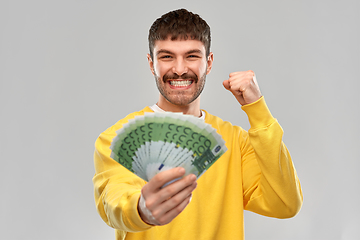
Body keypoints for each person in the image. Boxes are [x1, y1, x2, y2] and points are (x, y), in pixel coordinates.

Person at [93, 8, 303, 240]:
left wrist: (258, 109)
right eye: (166, 56)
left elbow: (286, 204)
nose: (180, 69)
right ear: (151, 63)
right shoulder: (114, 139)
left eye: (192, 56)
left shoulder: (235, 141)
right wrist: (142, 209)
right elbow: (113, 202)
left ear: (209, 62)